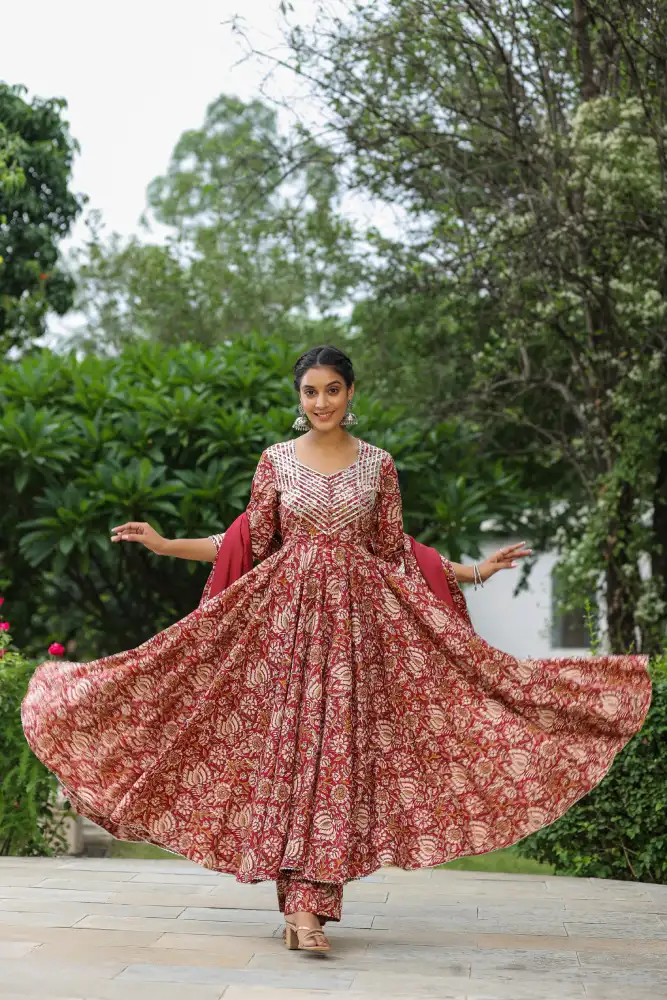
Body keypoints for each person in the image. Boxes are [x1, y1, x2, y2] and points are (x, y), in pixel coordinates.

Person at [21, 345, 652, 954]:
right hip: (284, 635)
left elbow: (398, 554)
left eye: (332, 389)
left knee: (337, 764)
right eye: (309, 391)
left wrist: (473, 572)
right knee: (290, 759)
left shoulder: (378, 465)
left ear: (351, 394)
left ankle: (311, 906)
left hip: (355, 640)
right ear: (298, 397)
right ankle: (299, 908)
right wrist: (165, 544)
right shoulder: (275, 461)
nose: (321, 401)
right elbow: (244, 542)